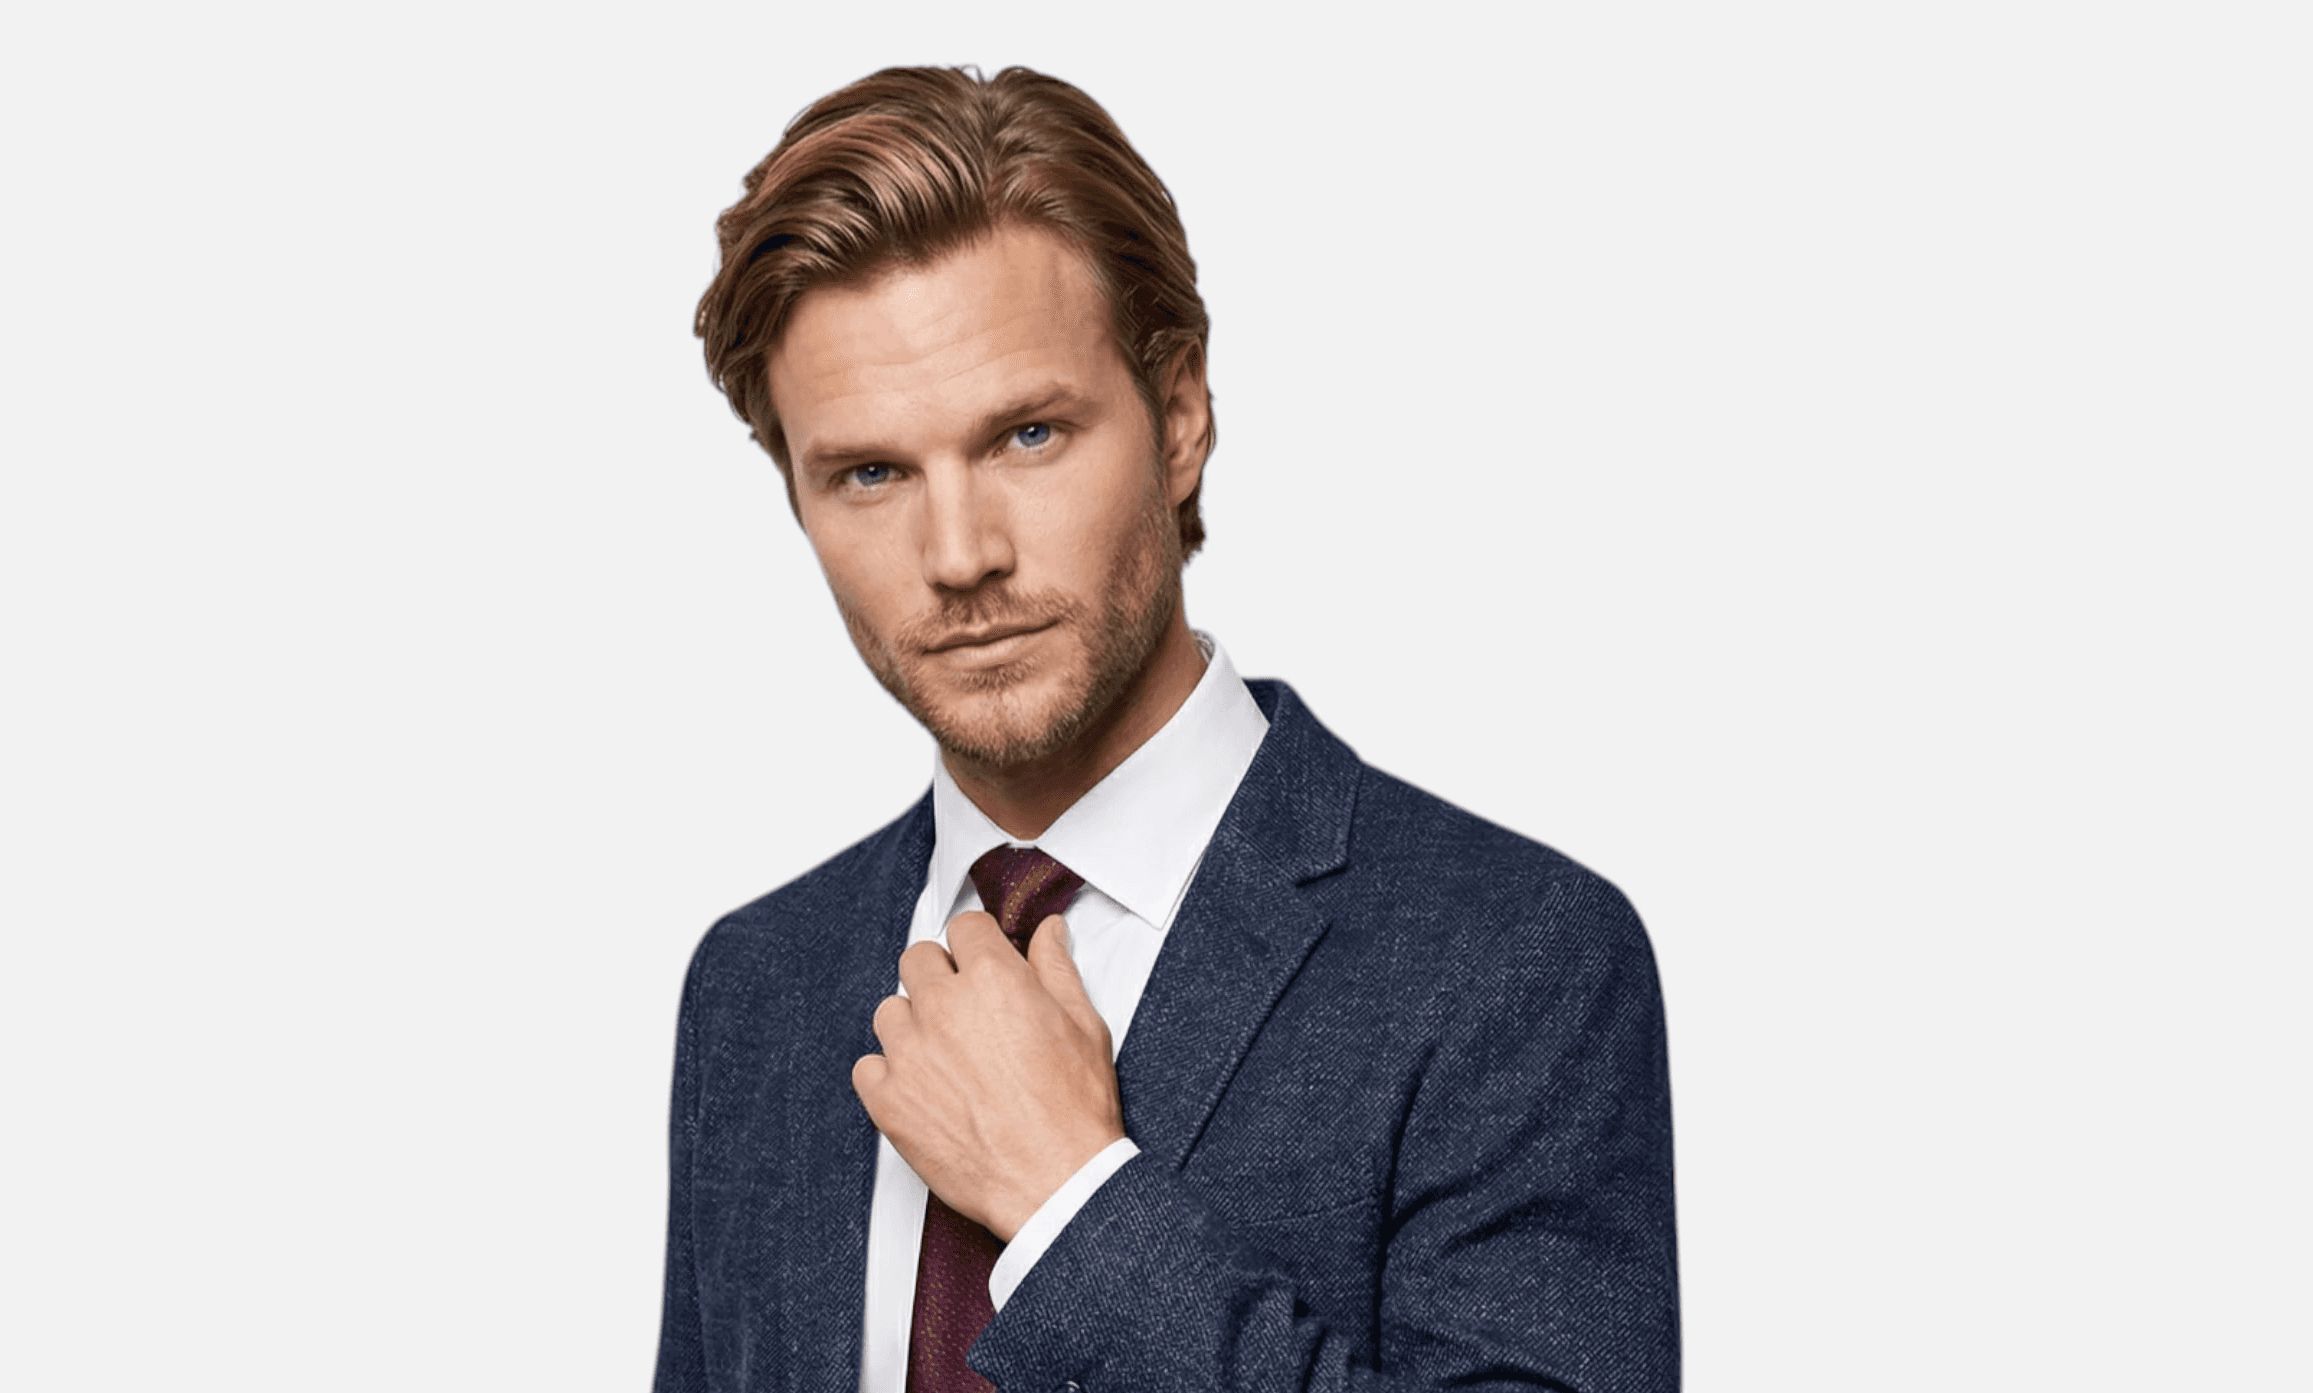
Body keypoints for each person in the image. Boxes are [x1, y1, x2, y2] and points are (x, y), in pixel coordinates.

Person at [658, 65, 1677, 1393]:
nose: (958, 555)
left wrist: (1072, 1203)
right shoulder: (761, 988)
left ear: (1181, 417)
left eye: (1028, 435)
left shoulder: (1514, 961)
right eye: (869, 473)